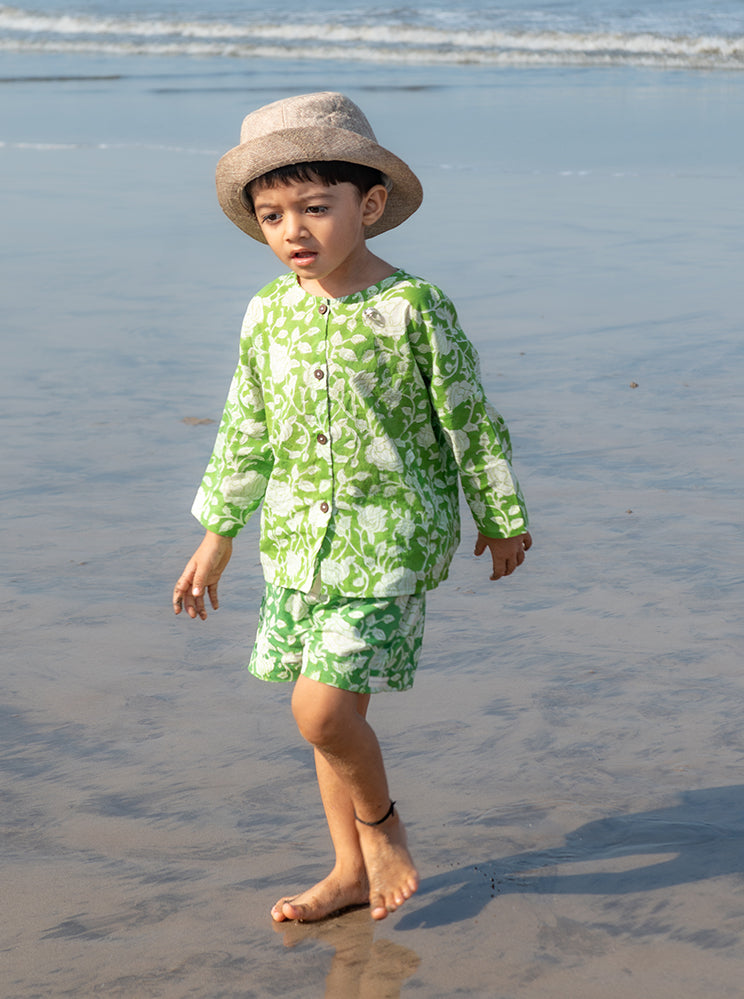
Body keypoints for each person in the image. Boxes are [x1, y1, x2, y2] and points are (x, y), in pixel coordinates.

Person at [172, 92, 532, 923]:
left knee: (321, 707)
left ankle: (382, 826)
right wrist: (217, 534)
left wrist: (500, 513)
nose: (293, 230)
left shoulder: (416, 308)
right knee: (331, 723)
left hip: (390, 538)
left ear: (368, 206)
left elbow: (469, 419)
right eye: (271, 215)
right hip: (297, 541)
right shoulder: (268, 313)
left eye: (314, 207)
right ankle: (347, 869)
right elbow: (247, 427)